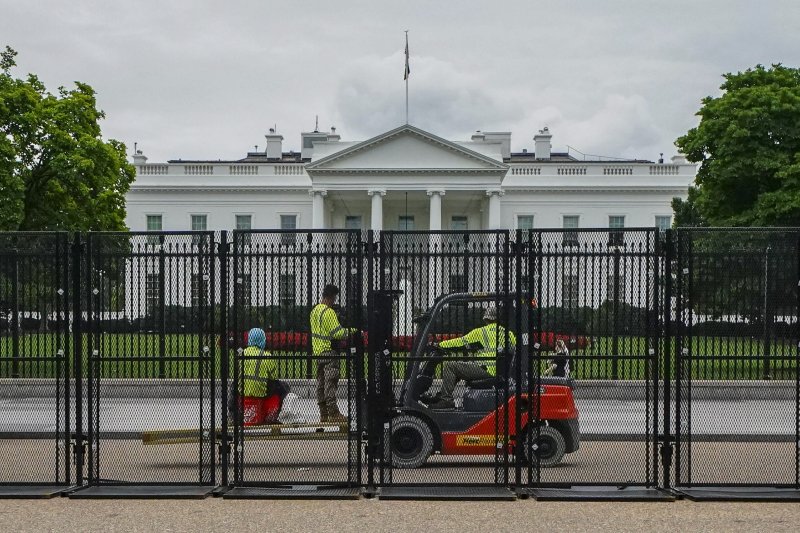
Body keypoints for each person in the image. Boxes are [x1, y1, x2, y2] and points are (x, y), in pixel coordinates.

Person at [426, 305, 517, 410]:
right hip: (500, 371)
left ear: (486, 318)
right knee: (461, 367)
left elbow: (460, 342)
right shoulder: (508, 333)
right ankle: (442, 394)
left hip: (486, 369)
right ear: (497, 318)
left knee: (451, 366)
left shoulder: (481, 332)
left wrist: (440, 345)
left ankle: (446, 399)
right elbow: (514, 350)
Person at [310, 284, 357, 423]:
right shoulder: (328, 312)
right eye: (334, 298)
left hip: (318, 352)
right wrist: (353, 331)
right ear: (330, 297)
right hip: (329, 351)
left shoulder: (314, 311)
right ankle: (334, 414)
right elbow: (338, 333)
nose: (334, 301)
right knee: (330, 383)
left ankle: (323, 414)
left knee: (321, 384)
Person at [228, 327, 288, 425]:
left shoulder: (242, 354)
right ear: (263, 340)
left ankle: (232, 415)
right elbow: (273, 377)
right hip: (262, 393)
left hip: (243, 392)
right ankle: (275, 415)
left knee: (233, 386)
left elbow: (238, 373)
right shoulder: (267, 355)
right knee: (283, 386)